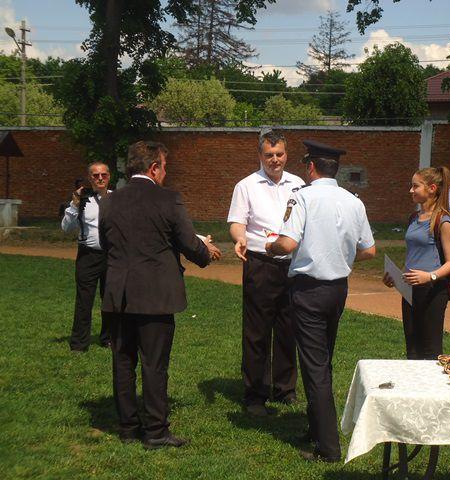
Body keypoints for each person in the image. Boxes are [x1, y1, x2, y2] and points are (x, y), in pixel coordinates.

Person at [99, 141, 221, 449]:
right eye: (164, 167)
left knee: (123, 362)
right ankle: (155, 430)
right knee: (154, 364)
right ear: (154, 168)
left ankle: (128, 427)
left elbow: (105, 242)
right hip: (155, 295)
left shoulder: (109, 201)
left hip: (118, 294)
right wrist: (205, 252)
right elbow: (187, 242)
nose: (165, 173)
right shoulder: (169, 199)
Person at [266, 140, 375, 463]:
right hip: (337, 289)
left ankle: (328, 448)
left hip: (309, 290)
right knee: (322, 361)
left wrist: (270, 246)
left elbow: (287, 244)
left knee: (315, 367)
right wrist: (340, 256)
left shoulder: (302, 197)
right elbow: (369, 250)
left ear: (310, 167)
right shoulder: (353, 201)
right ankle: (316, 428)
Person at [227, 130, 305, 417]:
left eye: (279, 154)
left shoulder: (299, 185)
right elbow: (237, 222)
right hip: (260, 263)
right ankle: (255, 394)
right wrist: (240, 238)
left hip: (292, 265)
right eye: (269, 155)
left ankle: (285, 388)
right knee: (257, 331)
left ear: (287, 154)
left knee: (288, 328)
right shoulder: (246, 186)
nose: (275, 160)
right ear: (260, 155)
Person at [382, 166, 450, 361]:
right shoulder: (413, 218)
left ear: (432, 188)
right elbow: (414, 254)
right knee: (412, 348)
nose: (411, 190)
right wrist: (396, 277)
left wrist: (429, 276)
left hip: (432, 291)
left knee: (431, 350)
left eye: (415, 186)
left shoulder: (443, 220)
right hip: (409, 289)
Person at [61, 162, 111, 352]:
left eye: (103, 175)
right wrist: (74, 203)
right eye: (96, 175)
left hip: (112, 256)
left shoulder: (117, 199)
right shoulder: (82, 200)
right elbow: (66, 228)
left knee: (111, 299)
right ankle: (79, 343)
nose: (100, 178)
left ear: (109, 176)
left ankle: (108, 338)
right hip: (88, 256)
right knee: (84, 300)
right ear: (90, 178)